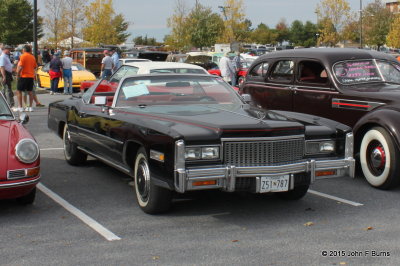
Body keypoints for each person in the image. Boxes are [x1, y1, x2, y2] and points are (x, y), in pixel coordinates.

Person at [16, 45, 37, 112]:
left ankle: (20, 107)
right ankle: (30, 107)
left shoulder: (23, 56)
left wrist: (18, 74)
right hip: (31, 76)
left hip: (24, 76)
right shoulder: (32, 57)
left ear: (24, 50)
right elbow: (35, 67)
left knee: (19, 91)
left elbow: (21, 66)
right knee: (30, 91)